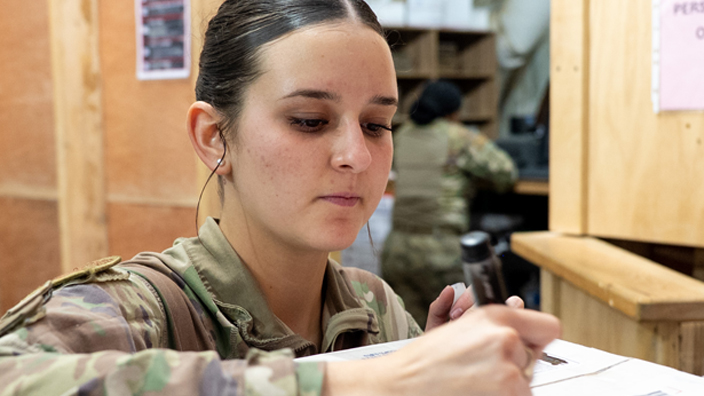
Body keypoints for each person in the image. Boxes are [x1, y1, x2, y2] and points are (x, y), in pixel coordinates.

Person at [0, 1, 558, 395]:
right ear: (215, 138)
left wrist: (431, 370)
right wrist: (366, 383)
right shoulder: (142, 311)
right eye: (310, 120)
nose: (357, 157)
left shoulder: (375, 308)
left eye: (376, 124)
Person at [381, 80, 518, 328]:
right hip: (441, 253)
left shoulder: (401, 135)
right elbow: (505, 171)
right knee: (457, 328)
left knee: (410, 333)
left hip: (397, 250)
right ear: (453, 112)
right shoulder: (458, 136)